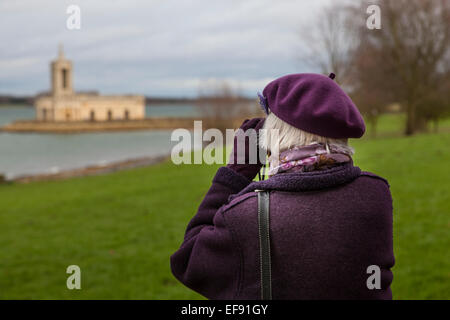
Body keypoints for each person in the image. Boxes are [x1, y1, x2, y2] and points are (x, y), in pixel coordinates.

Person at [170, 73, 395, 299]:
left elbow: (188, 261)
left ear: (272, 138)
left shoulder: (247, 217)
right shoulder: (375, 195)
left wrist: (234, 173)